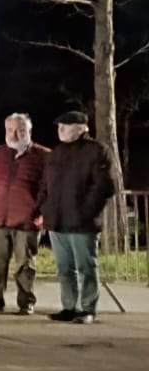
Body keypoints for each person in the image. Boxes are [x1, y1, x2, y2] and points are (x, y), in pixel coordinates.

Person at [40, 111, 119, 326]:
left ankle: (87, 308)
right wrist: (45, 207)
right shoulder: (56, 153)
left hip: (82, 222)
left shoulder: (96, 151)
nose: (60, 129)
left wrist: (86, 211)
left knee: (86, 267)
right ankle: (69, 306)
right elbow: (44, 184)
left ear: (81, 128)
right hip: (57, 221)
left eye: (65, 126)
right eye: (59, 126)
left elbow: (104, 186)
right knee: (64, 268)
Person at [0, 113, 48, 314]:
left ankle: (26, 301)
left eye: (20, 130)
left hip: (27, 220)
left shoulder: (44, 157)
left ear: (29, 131)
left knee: (25, 265)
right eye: (10, 130)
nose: (14, 135)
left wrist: (44, 213)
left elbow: (52, 187)